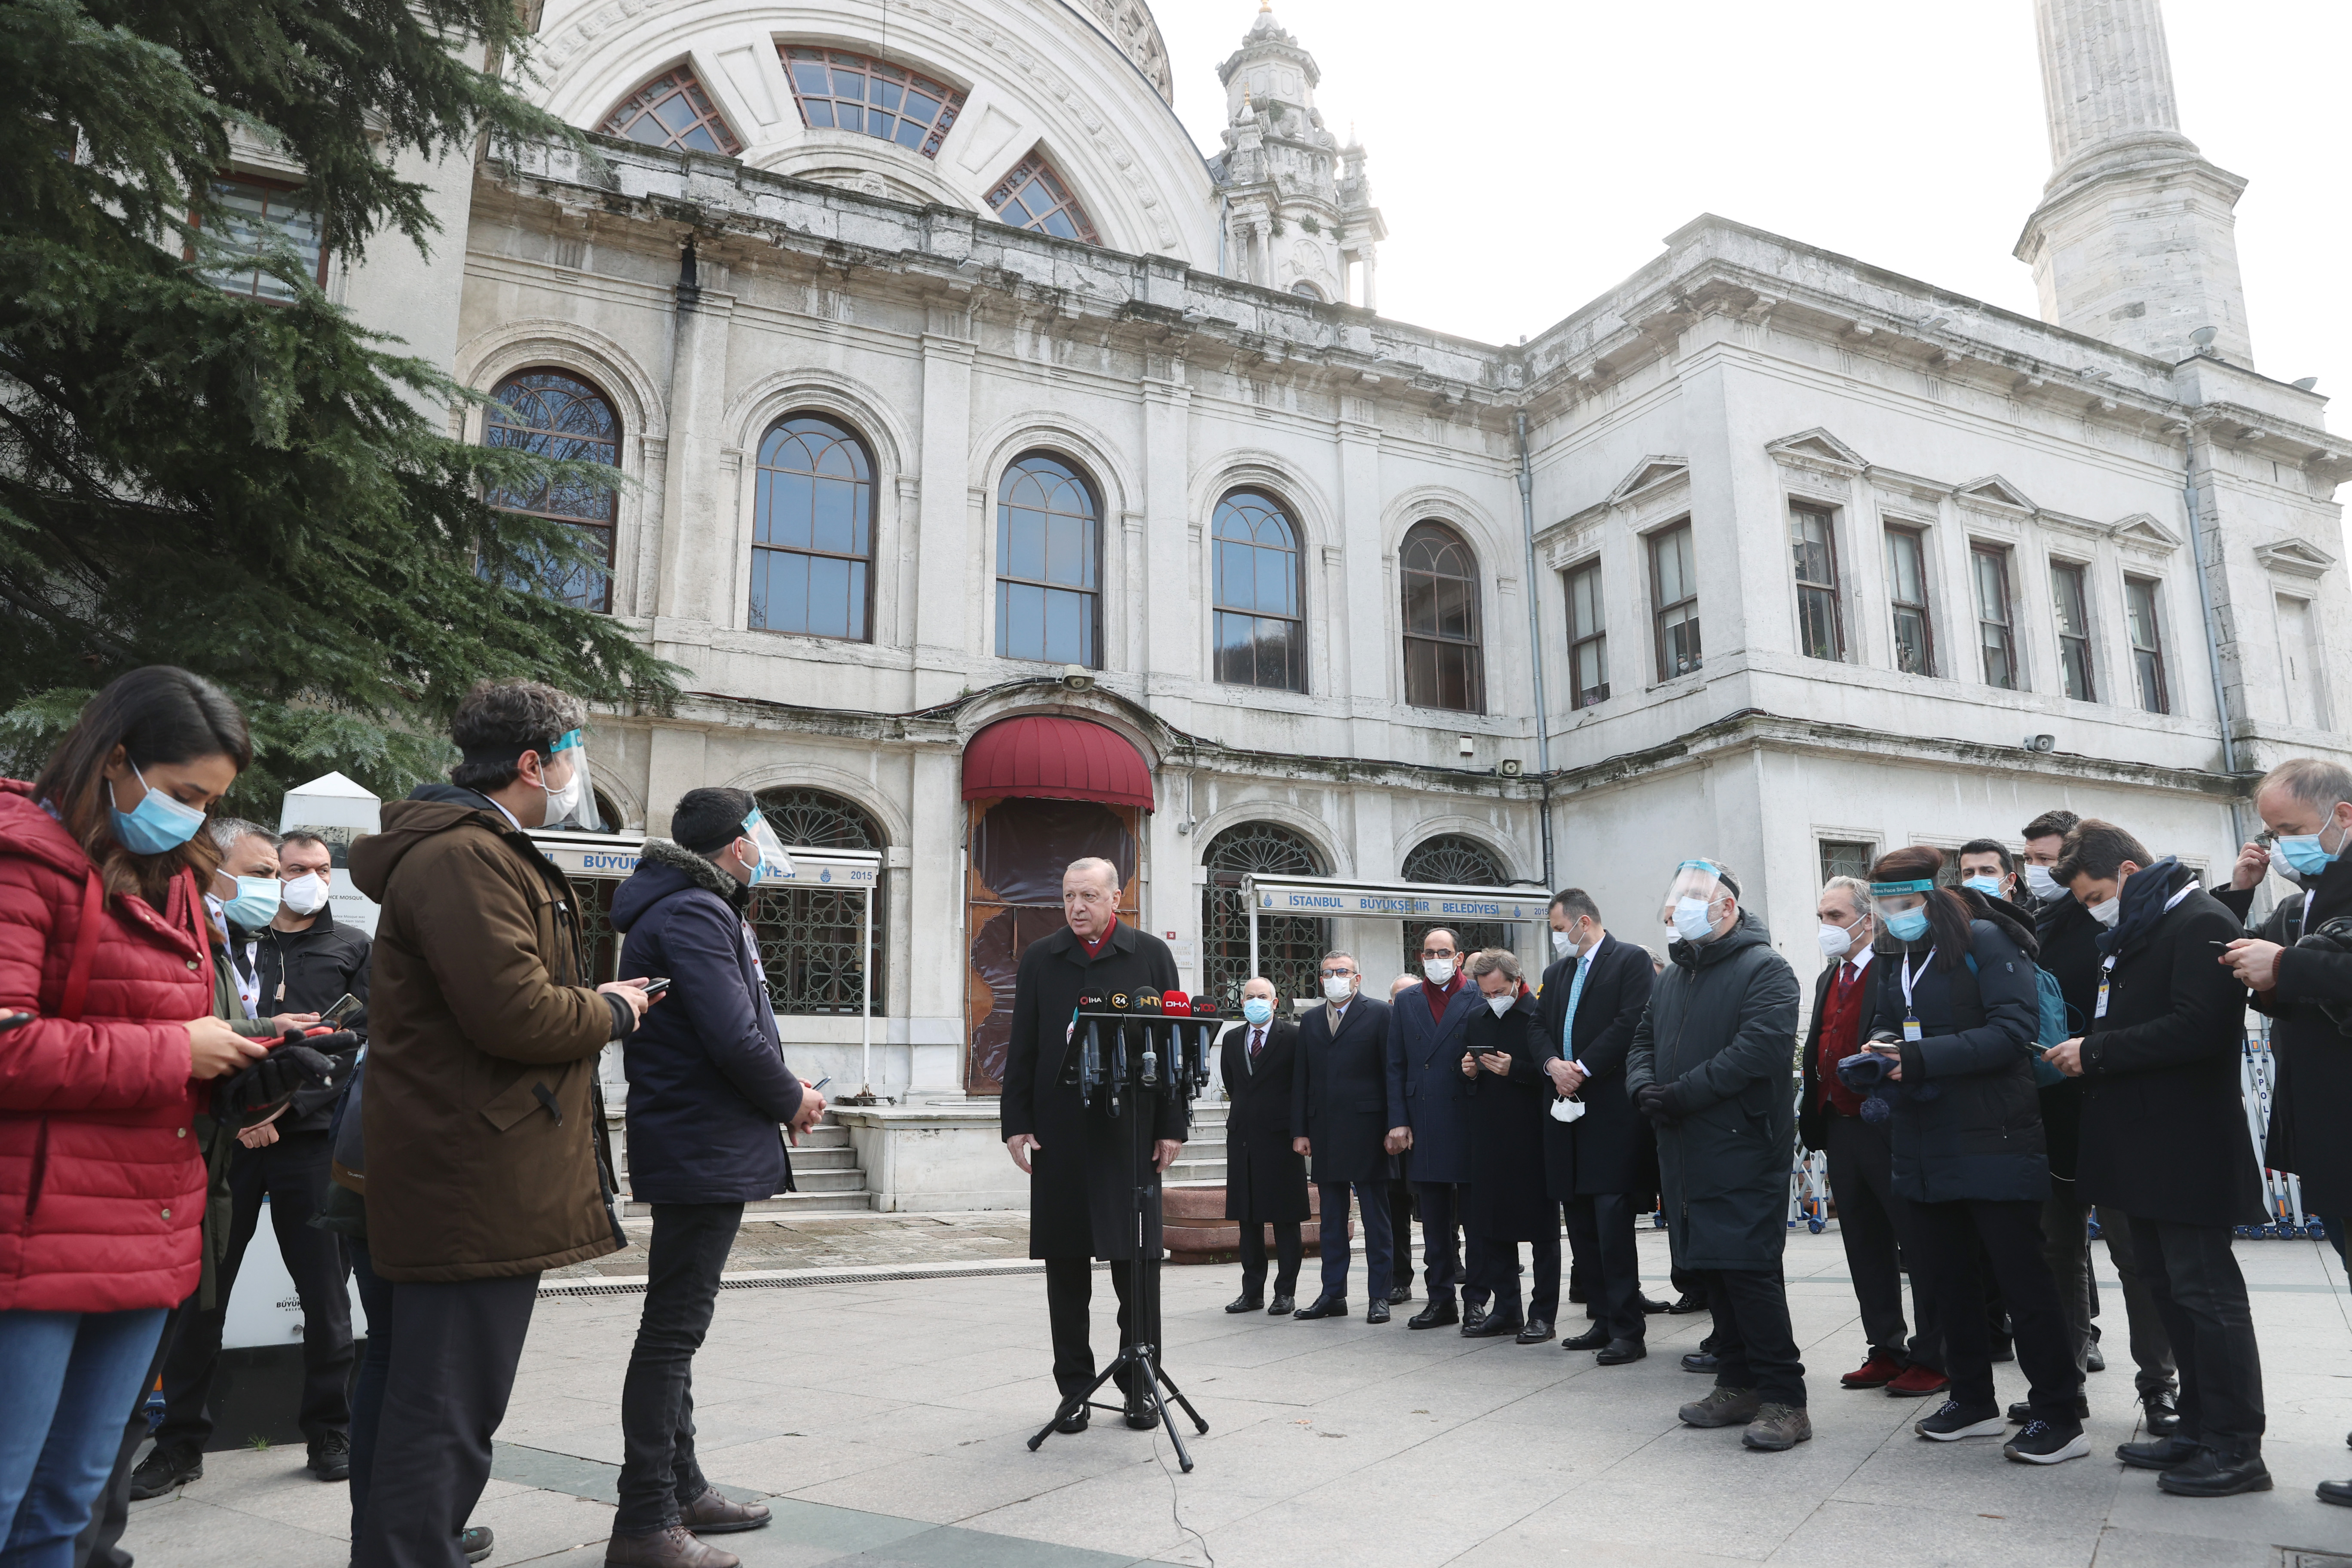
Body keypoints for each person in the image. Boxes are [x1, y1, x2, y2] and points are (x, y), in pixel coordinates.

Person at [349, 679, 654, 1568]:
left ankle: (402, 1545)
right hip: (468, 1173)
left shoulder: (478, 850)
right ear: (532, 763)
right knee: (447, 1407)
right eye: (569, 751)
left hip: (468, 1162)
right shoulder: (466, 857)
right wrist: (613, 1011)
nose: (575, 771)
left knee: (429, 1397)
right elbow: (514, 1014)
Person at [0, 668, 281, 1562]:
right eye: (183, 794)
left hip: (146, 1222)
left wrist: (252, 1060)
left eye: (211, 802)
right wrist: (176, 1053)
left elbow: (183, 1029)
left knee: (71, 1499)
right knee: (9, 1493)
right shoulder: (21, 860)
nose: (196, 818)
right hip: (34, 1233)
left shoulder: (176, 882)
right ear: (115, 761)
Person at [606, 788, 822, 1567]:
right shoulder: (694, 910)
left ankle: (682, 1485)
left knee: (676, 1326)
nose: (763, 844)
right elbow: (732, 1034)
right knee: (671, 1330)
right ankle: (643, 1519)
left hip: (697, 1137)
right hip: (699, 1140)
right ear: (733, 844)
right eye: (756, 832)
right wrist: (792, 1096)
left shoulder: (691, 904)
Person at [2042, 820, 2266, 1495]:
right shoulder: (2142, 928)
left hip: (2186, 1146)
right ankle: (2194, 1429)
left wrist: (2097, 1052)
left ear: (2130, 877)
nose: (2091, 911)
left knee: (2207, 1297)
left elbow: (2200, 1027)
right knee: (2171, 1293)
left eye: (2092, 897)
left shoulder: (2199, 919)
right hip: (2141, 1147)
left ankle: (2236, 1447)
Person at [1857, 847, 2084, 1465]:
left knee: (2021, 1281)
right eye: (1884, 906)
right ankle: (1972, 1399)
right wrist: (1877, 1051)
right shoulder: (1894, 955)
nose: (1894, 917)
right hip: (1924, 1140)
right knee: (1945, 1279)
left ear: (1933, 897)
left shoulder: (1987, 941)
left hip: (1995, 1137)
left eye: (1903, 904)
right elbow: (1883, 1021)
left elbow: (2014, 1032)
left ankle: (2059, 1412)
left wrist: (1922, 1058)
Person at [1625, 859, 1808, 1452]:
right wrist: (1642, 1087)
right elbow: (1644, 1040)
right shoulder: (1674, 976)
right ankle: (1736, 1384)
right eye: (1679, 901)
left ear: (1728, 907)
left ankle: (1785, 1398)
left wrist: (1680, 1094)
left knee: (1750, 1273)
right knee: (1713, 1271)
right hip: (1683, 1147)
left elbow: (1757, 1052)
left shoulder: (1766, 969)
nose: (1683, 911)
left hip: (1742, 1146)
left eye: (1697, 899)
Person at [1000, 858, 1184, 1432]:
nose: (1077, 907)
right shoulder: (1041, 958)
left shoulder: (1150, 953)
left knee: (1138, 1269)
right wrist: (1016, 1121)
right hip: (1061, 1132)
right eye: (1068, 897)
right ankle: (1074, 1389)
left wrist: (1171, 1125)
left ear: (1116, 897)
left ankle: (1139, 1387)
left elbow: (1176, 1046)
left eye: (1088, 896)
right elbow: (1023, 1043)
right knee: (1066, 1271)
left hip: (1130, 1135)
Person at [2216, 759, 2352, 1508]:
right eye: (2271, 832)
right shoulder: (2306, 897)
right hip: (2327, 1122)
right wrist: (2267, 967)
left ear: (2343, 814)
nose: (2281, 847)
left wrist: (2287, 967)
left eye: (2291, 831)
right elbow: (2263, 963)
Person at [2022, 808, 2179, 1433]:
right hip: (2054, 1110)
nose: (2044, 873)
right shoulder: (2032, 928)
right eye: (2032, 861)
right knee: (2056, 1251)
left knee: (2135, 1256)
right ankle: (2063, 1386)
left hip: (2114, 1107)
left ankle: (2158, 1386)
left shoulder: (2125, 922)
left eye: (2054, 860)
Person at [1796, 876, 1947, 1400]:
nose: (1826, 927)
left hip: (1890, 1123)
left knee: (1919, 1240)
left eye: (1835, 917)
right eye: (1822, 917)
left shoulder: (1893, 969)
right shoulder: (1828, 978)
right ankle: (1885, 1348)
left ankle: (1935, 1353)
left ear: (1869, 919)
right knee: (1863, 1242)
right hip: (1840, 1125)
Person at [1537, 889, 1655, 1364]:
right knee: (1581, 1220)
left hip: (1609, 1110)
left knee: (1611, 1222)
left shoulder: (1630, 961)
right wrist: (1552, 1064)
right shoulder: (1557, 973)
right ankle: (1601, 1320)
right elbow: (1536, 1025)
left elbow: (1631, 1023)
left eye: (1558, 929)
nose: (1557, 939)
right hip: (1566, 1113)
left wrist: (1582, 1067)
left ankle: (1629, 1328)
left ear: (1583, 922)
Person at [1385, 929, 1488, 1331]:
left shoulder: (1478, 995)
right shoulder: (1408, 1001)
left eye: (1443, 952)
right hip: (1424, 1117)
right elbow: (1395, 1064)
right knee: (1433, 1220)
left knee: (1476, 1218)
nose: (1435, 958)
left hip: (1468, 1116)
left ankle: (1477, 1300)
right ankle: (1440, 1299)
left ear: (1458, 957)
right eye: (1429, 953)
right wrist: (1398, 1120)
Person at [1455, 949, 1556, 1342]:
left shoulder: (1539, 1016)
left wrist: (1516, 1070)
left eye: (1498, 991)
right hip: (1487, 1136)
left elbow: (1554, 1074)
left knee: (1542, 1232)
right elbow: (1463, 1073)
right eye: (1485, 993)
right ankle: (1507, 1309)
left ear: (1517, 982)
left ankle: (1543, 1314)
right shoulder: (1477, 1017)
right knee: (1492, 1227)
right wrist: (1468, 1072)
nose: (1492, 998)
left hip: (1533, 1138)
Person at [1291, 958, 1395, 1321]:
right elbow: (1301, 1077)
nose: (1334, 979)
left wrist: (1395, 1125)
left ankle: (1379, 1297)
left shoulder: (1380, 1013)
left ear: (1357, 978)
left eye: (1342, 973)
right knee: (1332, 1222)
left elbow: (1391, 1073)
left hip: (1370, 1132)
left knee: (1376, 1221)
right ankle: (1332, 1295)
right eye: (1328, 973)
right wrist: (1300, 1130)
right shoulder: (1311, 1020)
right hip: (1325, 1132)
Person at [1218, 977, 1308, 1316]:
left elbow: (1302, 1085)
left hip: (1282, 1139)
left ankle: (1285, 1292)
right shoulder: (1232, 1039)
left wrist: (1301, 1131)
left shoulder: (1294, 1037)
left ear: (1275, 1002)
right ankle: (1251, 1291)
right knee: (1247, 1220)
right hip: (1243, 1138)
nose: (1255, 1002)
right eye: (1250, 997)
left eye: (1263, 997)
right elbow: (1232, 1081)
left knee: (1286, 1219)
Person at [1381, 973, 1420, 1307]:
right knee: (1395, 1213)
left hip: (1428, 1134)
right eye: (1399, 998)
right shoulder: (1383, 1030)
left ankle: (1446, 1271)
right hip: (1393, 1136)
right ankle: (1399, 1279)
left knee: (1441, 1212)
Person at [1957, 839, 2030, 910]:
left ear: (2010, 880)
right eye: (1969, 874)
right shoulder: (1953, 919)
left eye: (1988, 871)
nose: (1977, 879)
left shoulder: (2033, 918)